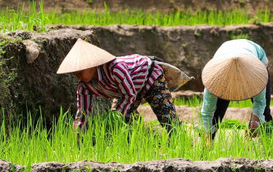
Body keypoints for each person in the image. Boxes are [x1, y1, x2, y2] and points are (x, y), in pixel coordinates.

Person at [56, 38, 189, 133]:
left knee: (167, 119)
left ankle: (182, 144)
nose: (77, 76)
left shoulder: (115, 69)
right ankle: (141, 141)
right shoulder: (84, 87)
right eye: (75, 73)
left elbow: (129, 94)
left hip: (151, 78)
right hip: (127, 90)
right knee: (119, 124)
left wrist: (117, 115)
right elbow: (83, 112)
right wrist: (79, 133)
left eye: (79, 72)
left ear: (91, 66)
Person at [200, 38, 272, 139]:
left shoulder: (255, 75)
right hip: (226, 54)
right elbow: (207, 111)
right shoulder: (215, 80)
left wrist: (256, 121)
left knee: (264, 113)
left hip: (255, 58)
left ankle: (266, 146)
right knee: (216, 112)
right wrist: (207, 132)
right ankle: (206, 146)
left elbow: (260, 102)